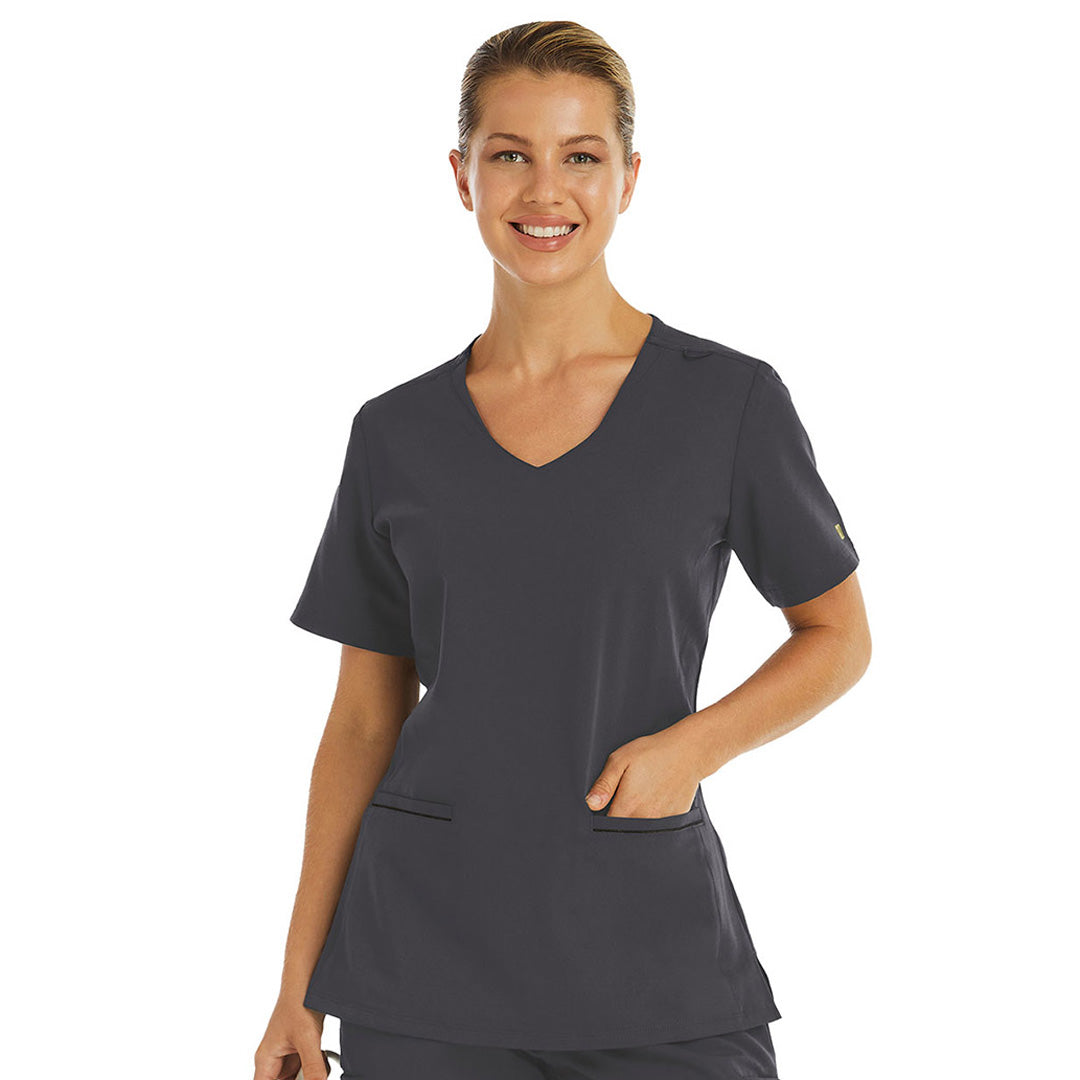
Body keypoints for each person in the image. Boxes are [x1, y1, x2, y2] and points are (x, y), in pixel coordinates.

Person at [253, 19, 871, 1080]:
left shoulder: (727, 405)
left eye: (581, 155)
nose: (546, 191)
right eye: (511, 154)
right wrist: (295, 989)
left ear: (629, 178)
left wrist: (694, 748)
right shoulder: (396, 434)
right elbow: (361, 720)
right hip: (423, 966)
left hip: (653, 956)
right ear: (462, 176)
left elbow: (838, 635)